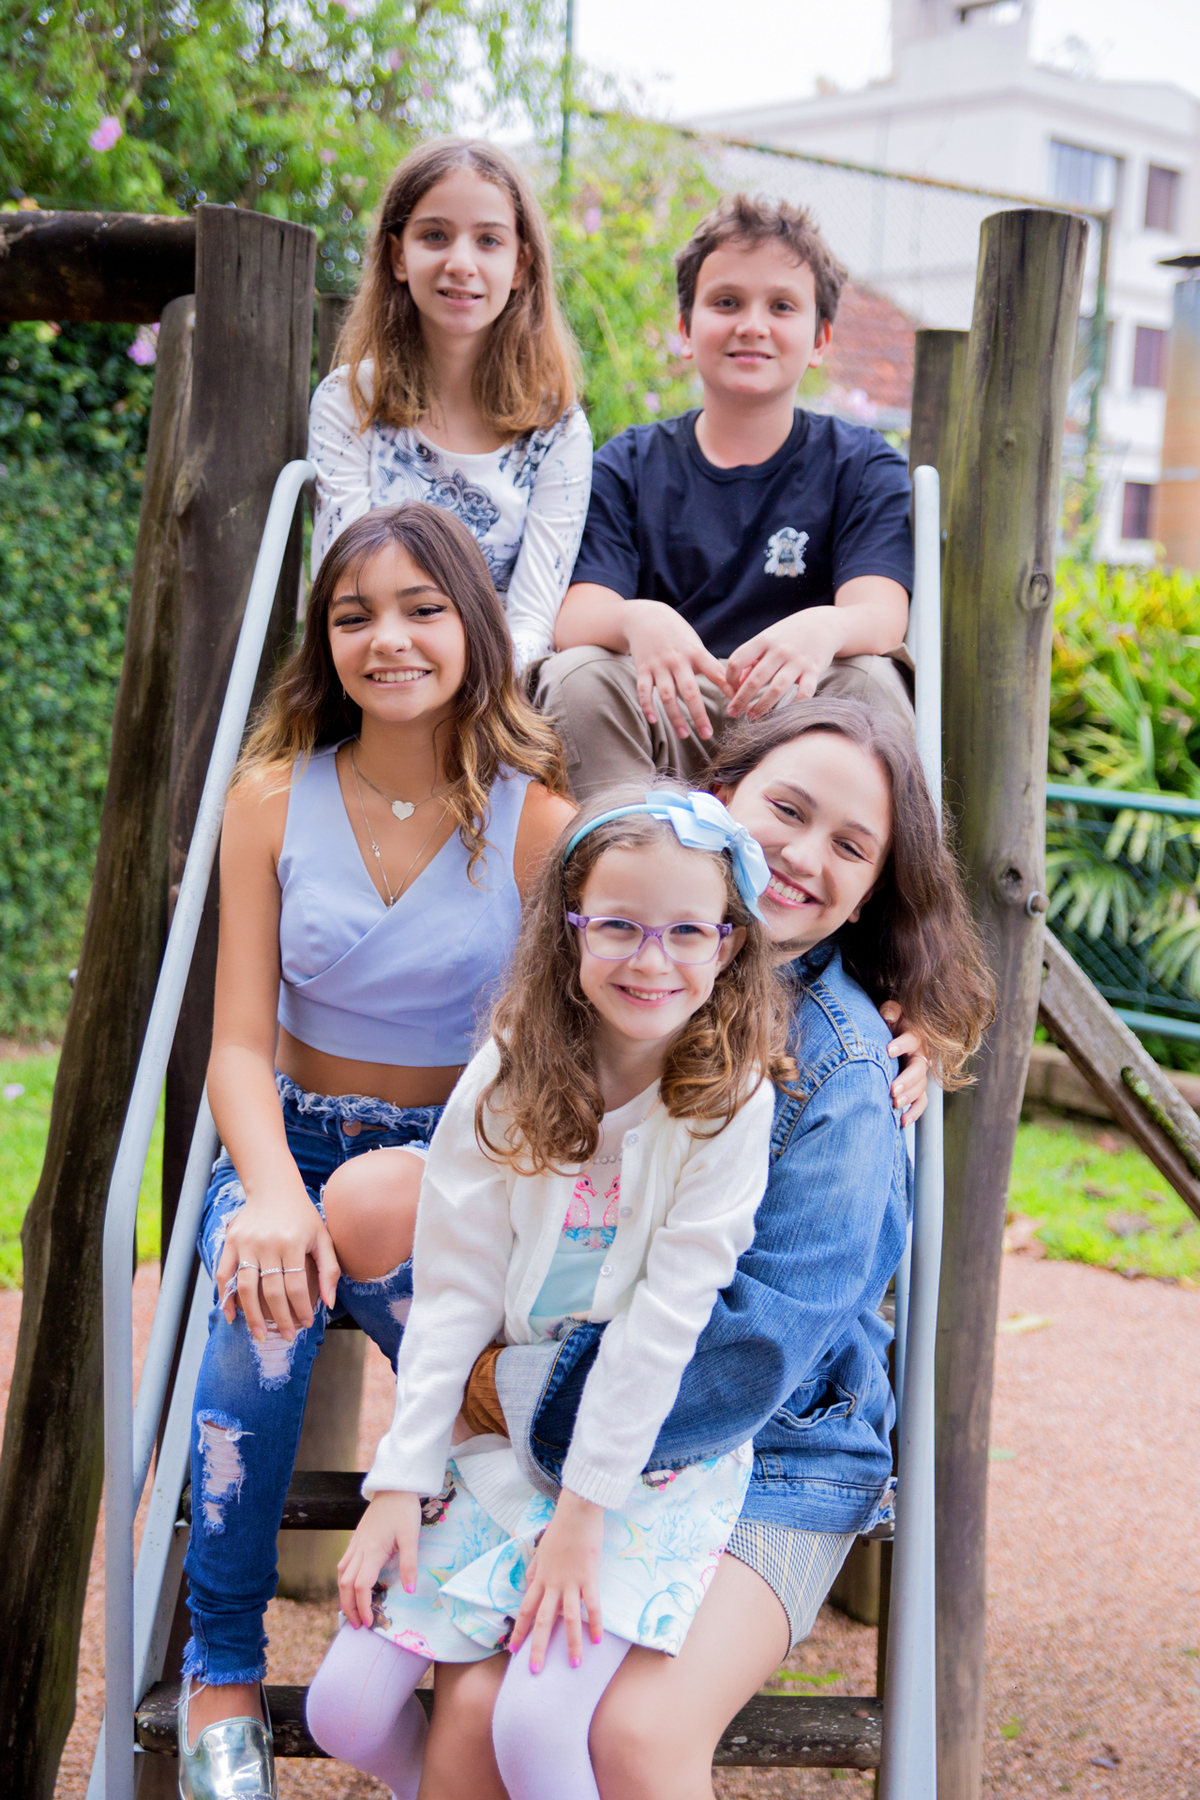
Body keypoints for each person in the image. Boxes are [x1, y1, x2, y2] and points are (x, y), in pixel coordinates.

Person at [425, 697, 995, 1800]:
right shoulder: (622, 971)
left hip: (777, 1450)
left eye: (850, 846)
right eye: (787, 808)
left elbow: (757, 1348)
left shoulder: (845, 1071)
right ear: (720, 798)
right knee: (482, 1708)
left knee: (633, 1735)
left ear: (874, 890)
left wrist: (515, 1393)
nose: (803, 855)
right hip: (600, 1426)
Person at [175, 502, 575, 1795]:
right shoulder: (270, 800)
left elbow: (542, 1063)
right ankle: (219, 1671)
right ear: (324, 641)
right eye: (355, 616)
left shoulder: (538, 825)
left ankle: (471, 1627)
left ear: (473, 625)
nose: (387, 638)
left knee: (480, 1399)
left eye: (420, 609)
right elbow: (238, 1044)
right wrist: (273, 1196)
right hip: (284, 1140)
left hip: (452, 1158)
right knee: (259, 1325)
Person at [304, 786, 799, 1800]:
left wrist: (581, 1518)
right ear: (570, 928)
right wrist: (399, 1481)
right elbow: (450, 1291)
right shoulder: (508, 1070)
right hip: (504, 1431)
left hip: (635, 1459)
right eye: (617, 925)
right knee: (343, 1711)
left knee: (533, 1728)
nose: (649, 960)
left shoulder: (730, 1102)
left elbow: (666, 1324)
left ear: (730, 944)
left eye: (684, 932)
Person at [534, 195, 916, 798]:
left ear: (819, 340)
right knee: (576, 675)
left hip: (800, 718)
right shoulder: (627, 466)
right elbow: (576, 617)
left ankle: (822, 884)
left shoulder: (863, 465)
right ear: (686, 331)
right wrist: (641, 619)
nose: (752, 325)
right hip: (668, 715)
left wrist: (824, 628)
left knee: (871, 680)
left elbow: (881, 613)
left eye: (782, 306)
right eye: (727, 302)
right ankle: (625, 867)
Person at [309, 136, 592, 673]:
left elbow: (532, 623)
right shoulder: (350, 402)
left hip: (497, 693)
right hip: (379, 676)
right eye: (435, 236)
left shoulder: (557, 429)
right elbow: (344, 592)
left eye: (489, 241)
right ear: (399, 256)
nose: (460, 263)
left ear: (520, 266)